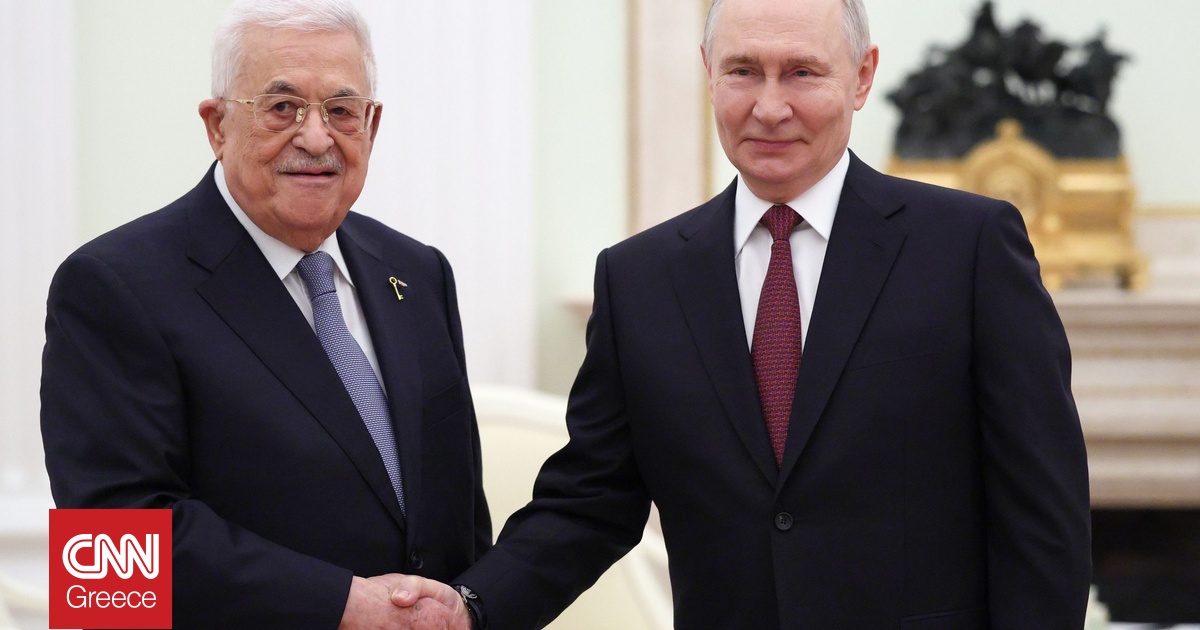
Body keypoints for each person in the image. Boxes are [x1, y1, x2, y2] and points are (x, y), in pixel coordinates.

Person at [397, 0, 1093, 627]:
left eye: (801, 73)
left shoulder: (969, 248)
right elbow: (590, 502)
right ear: (709, 73)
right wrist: (470, 607)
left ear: (862, 76)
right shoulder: (638, 279)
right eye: (743, 71)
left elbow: (1042, 513)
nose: (769, 107)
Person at [39, 1, 490, 628]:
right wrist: (343, 607)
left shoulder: (417, 272)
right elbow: (113, 551)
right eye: (282, 107)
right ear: (217, 125)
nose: (316, 137)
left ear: (372, 125)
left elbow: (459, 515)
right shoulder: (115, 286)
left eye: (341, 111)